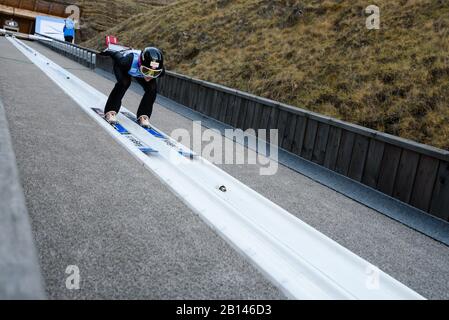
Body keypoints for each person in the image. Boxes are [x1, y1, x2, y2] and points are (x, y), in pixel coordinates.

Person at [103, 47, 165, 128]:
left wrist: (148, 73)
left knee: (152, 89)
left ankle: (143, 115)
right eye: (147, 70)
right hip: (125, 68)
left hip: (139, 72)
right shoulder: (127, 61)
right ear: (140, 63)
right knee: (124, 83)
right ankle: (110, 111)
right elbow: (115, 54)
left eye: (154, 73)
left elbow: (151, 74)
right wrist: (107, 51)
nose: (150, 75)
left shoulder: (160, 71)